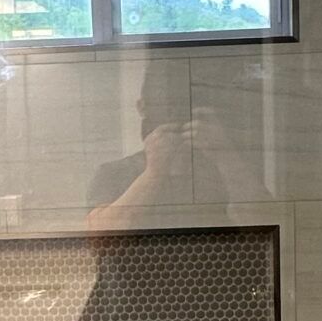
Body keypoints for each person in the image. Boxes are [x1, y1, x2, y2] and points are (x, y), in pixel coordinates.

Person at [85, 52, 270, 230]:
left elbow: (272, 222)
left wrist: (225, 156)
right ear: (142, 107)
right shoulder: (114, 173)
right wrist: (153, 174)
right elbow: (100, 238)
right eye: (165, 107)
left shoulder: (227, 168)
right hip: (143, 261)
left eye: (183, 106)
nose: (175, 116)